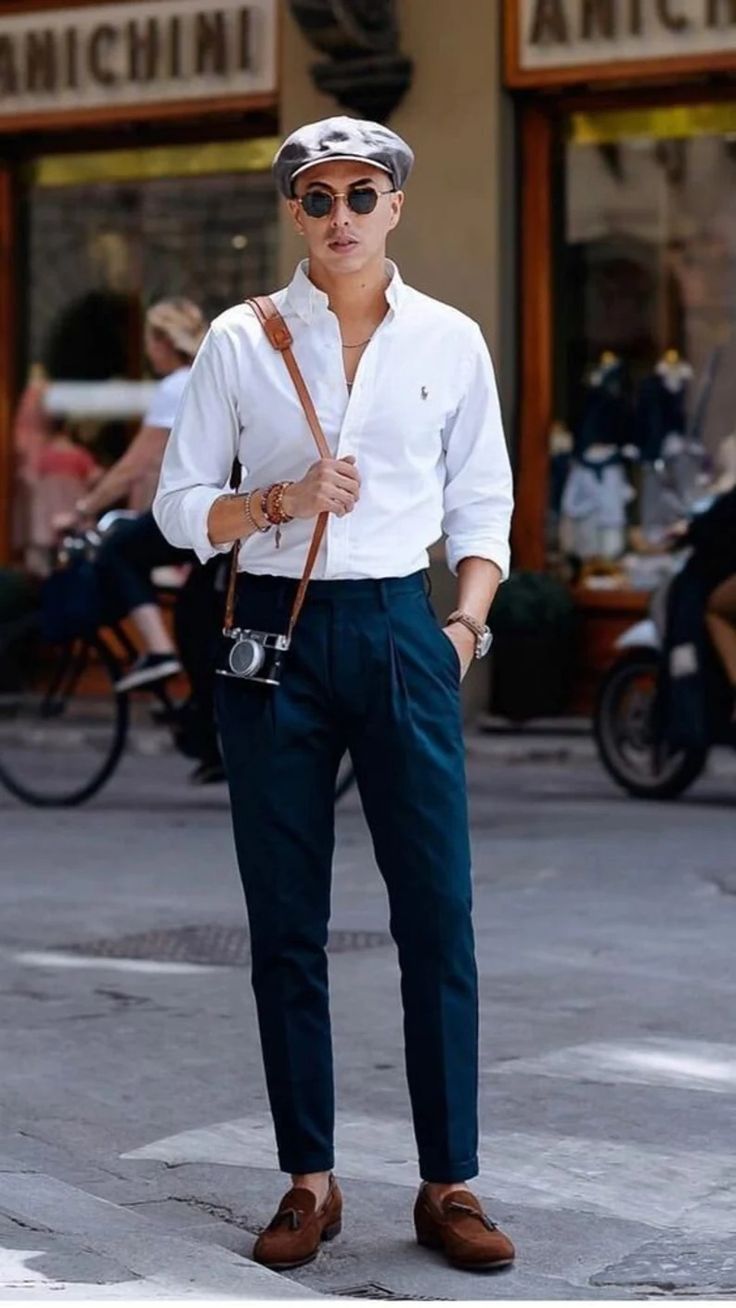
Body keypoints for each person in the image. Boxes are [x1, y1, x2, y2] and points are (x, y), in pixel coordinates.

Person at [154, 117, 515, 1273]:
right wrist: (279, 501)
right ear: (294, 215)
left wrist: (461, 624)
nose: (342, 214)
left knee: (436, 915)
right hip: (272, 625)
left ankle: (449, 1182)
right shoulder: (236, 341)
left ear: (395, 207)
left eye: (364, 193)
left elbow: (485, 503)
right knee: (285, 923)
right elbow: (177, 506)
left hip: (404, 631)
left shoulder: (451, 340)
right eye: (319, 197)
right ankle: (308, 1180)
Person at [55, 297, 208, 691]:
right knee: (196, 615)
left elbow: (134, 464)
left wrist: (83, 508)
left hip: (193, 512)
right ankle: (195, 714)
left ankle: (158, 651)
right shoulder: (207, 375)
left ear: (163, 341)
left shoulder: (176, 386)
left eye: (150, 341)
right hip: (217, 511)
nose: (146, 351)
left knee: (119, 548)